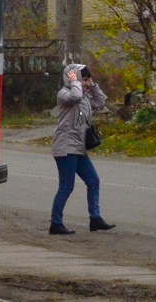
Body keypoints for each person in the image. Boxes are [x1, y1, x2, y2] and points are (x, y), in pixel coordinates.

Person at [49, 63, 115, 235]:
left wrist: (92, 86)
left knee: (93, 181)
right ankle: (56, 223)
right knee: (66, 186)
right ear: (73, 78)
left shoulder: (85, 96)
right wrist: (75, 83)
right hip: (65, 146)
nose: (85, 83)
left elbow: (100, 102)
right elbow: (76, 96)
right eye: (83, 79)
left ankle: (95, 219)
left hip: (78, 147)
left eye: (87, 80)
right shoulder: (65, 94)